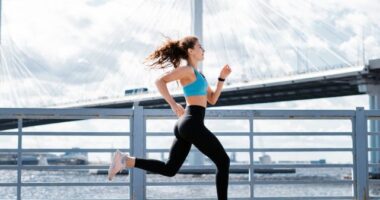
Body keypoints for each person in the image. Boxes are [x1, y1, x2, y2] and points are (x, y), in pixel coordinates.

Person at [108, 35, 232, 200]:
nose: (203, 50)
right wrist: (173, 104)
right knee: (223, 162)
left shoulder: (199, 75)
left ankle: (126, 160)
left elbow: (212, 99)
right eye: (200, 47)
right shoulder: (187, 70)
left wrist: (222, 78)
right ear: (190, 51)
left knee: (170, 169)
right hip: (191, 122)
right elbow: (160, 81)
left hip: (188, 124)